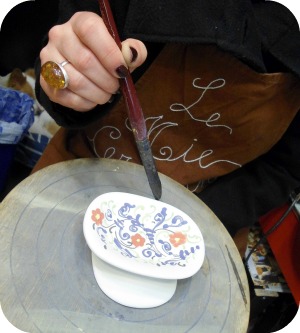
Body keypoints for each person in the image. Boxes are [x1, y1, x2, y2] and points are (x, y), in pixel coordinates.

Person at [34, 0, 300, 246]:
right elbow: (58, 64)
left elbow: (285, 167)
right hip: (79, 176)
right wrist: (67, 76)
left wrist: (196, 221)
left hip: (204, 217)